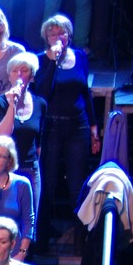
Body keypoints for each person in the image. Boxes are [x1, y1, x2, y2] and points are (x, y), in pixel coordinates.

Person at [33, 14, 100, 251]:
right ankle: (42, 240)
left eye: (61, 33)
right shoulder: (41, 59)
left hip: (77, 126)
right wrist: (52, 62)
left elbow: (86, 92)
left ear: (69, 35)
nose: (57, 37)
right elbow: (42, 92)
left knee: (77, 184)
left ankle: (80, 240)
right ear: (46, 37)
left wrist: (94, 127)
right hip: (51, 127)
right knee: (48, 183)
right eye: (52, 34)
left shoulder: (80, 56)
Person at [0, 52, 46, 218]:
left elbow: (39, 142)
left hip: (30, 168)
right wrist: (12, 105)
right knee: (5, 218)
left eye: (24, 71)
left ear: (32, 76)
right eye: (15, 71)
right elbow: (3, 135)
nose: (19, 75)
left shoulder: (40, 104)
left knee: (30, 218)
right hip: (4, 169)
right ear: (9, 75)